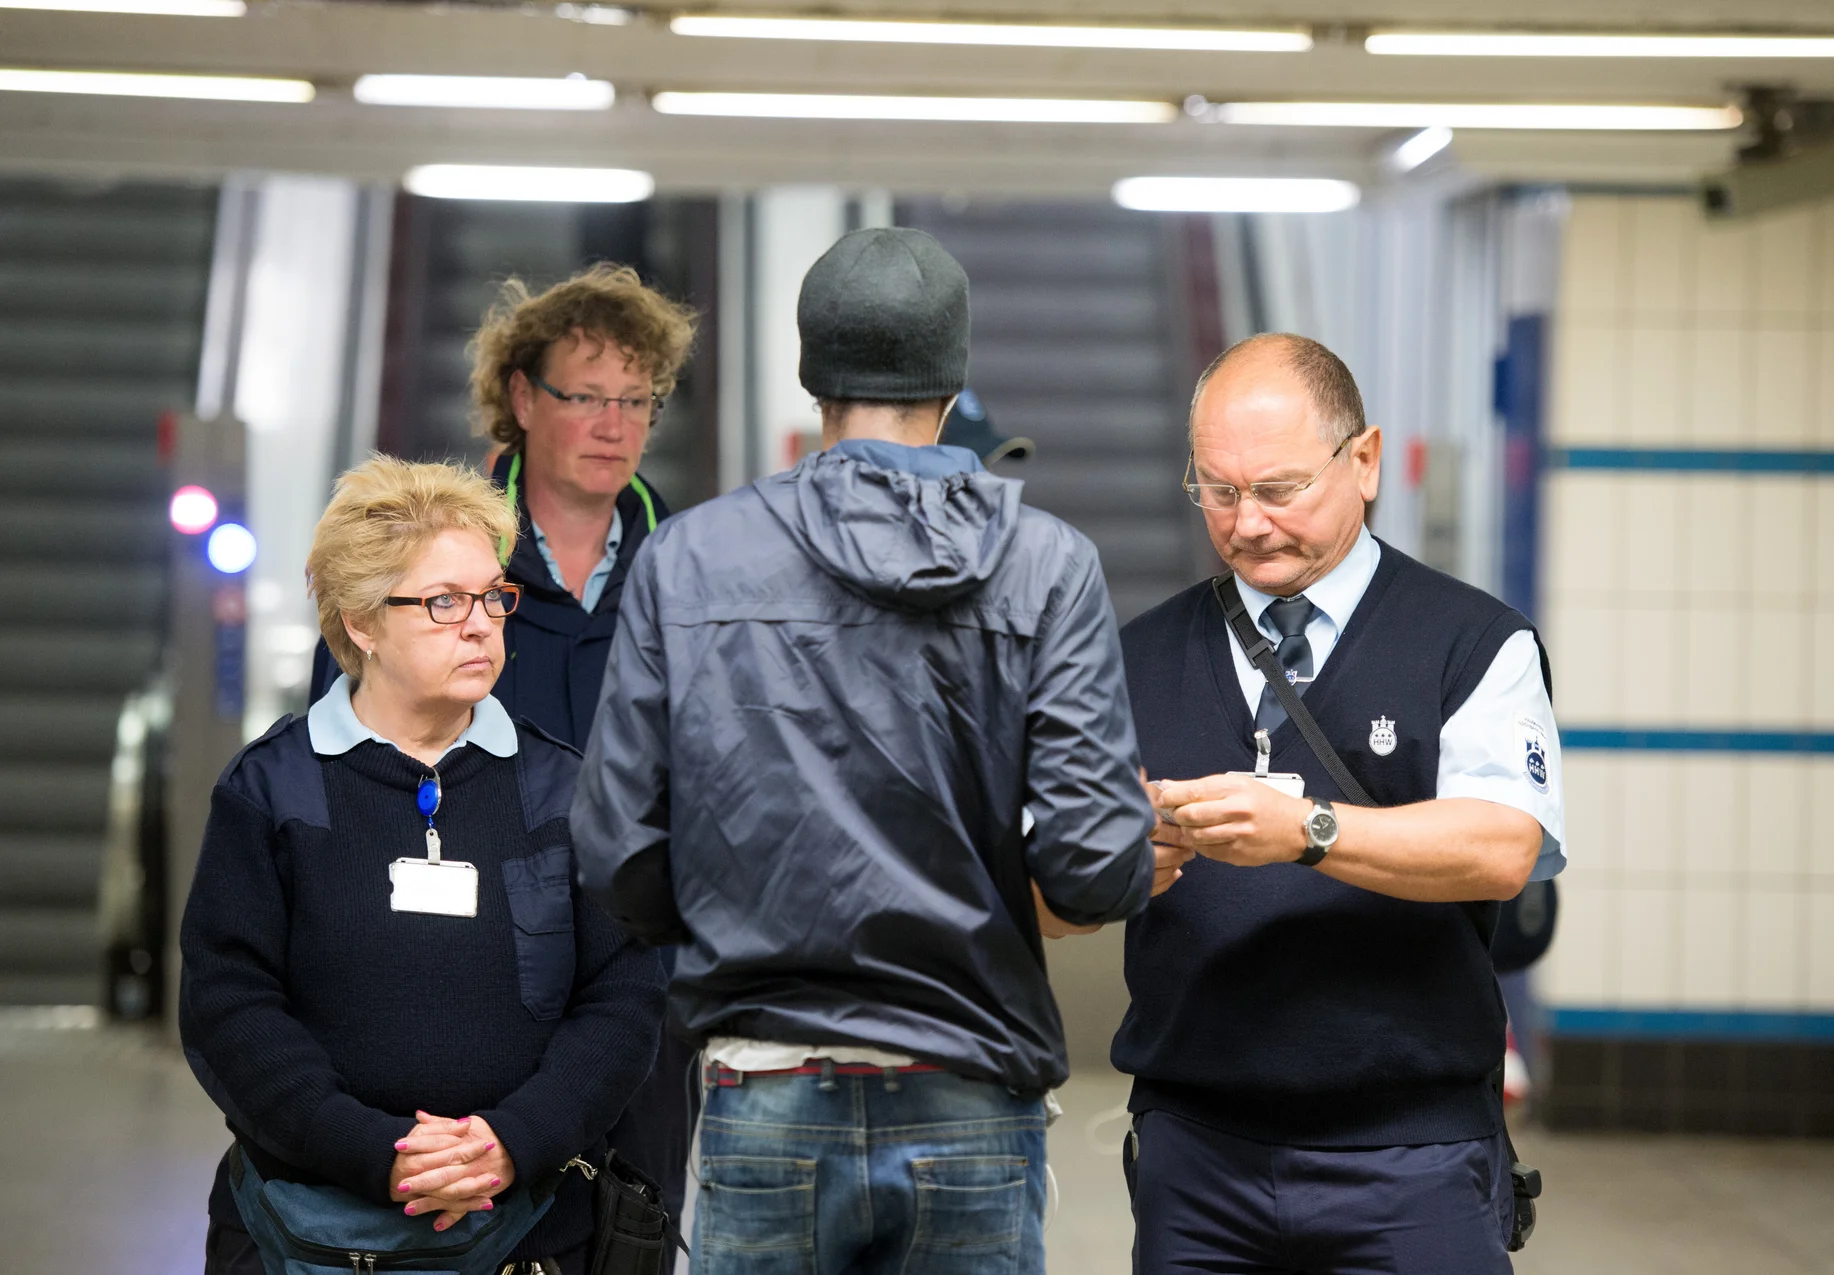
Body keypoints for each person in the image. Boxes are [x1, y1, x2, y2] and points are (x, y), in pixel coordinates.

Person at [570, 226, 1164, 1275]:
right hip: (973, 1091)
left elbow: (616, 845)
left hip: (764, 1085)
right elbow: (1091, 867)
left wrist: (737, 914)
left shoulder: (688, 558)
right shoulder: (1050, 566)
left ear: (813, 378)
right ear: (954, 379)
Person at [1117, 333, 1566, 1274]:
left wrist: (1308, 831)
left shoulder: (1473, 642)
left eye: (1279, 489)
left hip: (1415, 1154)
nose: (1247, 523)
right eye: (1217, 491)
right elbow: (1047, 882)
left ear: (1364, 461)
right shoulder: (1138, 656)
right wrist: (1108, 860)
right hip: (1195, 1155)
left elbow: (1502, 848)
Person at [184, 457, 667, 1275]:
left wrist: (511, 1140)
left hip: (528, 1231)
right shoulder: (271, 789)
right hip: (305, 1234)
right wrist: (382, 1153)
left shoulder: (563, 789)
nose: (481, 625)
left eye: (493, 596)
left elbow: (622, 994)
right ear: (362, 622)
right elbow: (229, 1007)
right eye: (445, 601)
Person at [307, 264, 701, 1241]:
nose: (613, 424)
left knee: (630, 1233)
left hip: (643, 995)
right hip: (461, 985)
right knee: (455, 1226)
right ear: (522, 398)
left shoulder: (695, 573)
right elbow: (341, 777)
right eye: (586, 396)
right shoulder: (428, 567)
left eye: (636, 400)